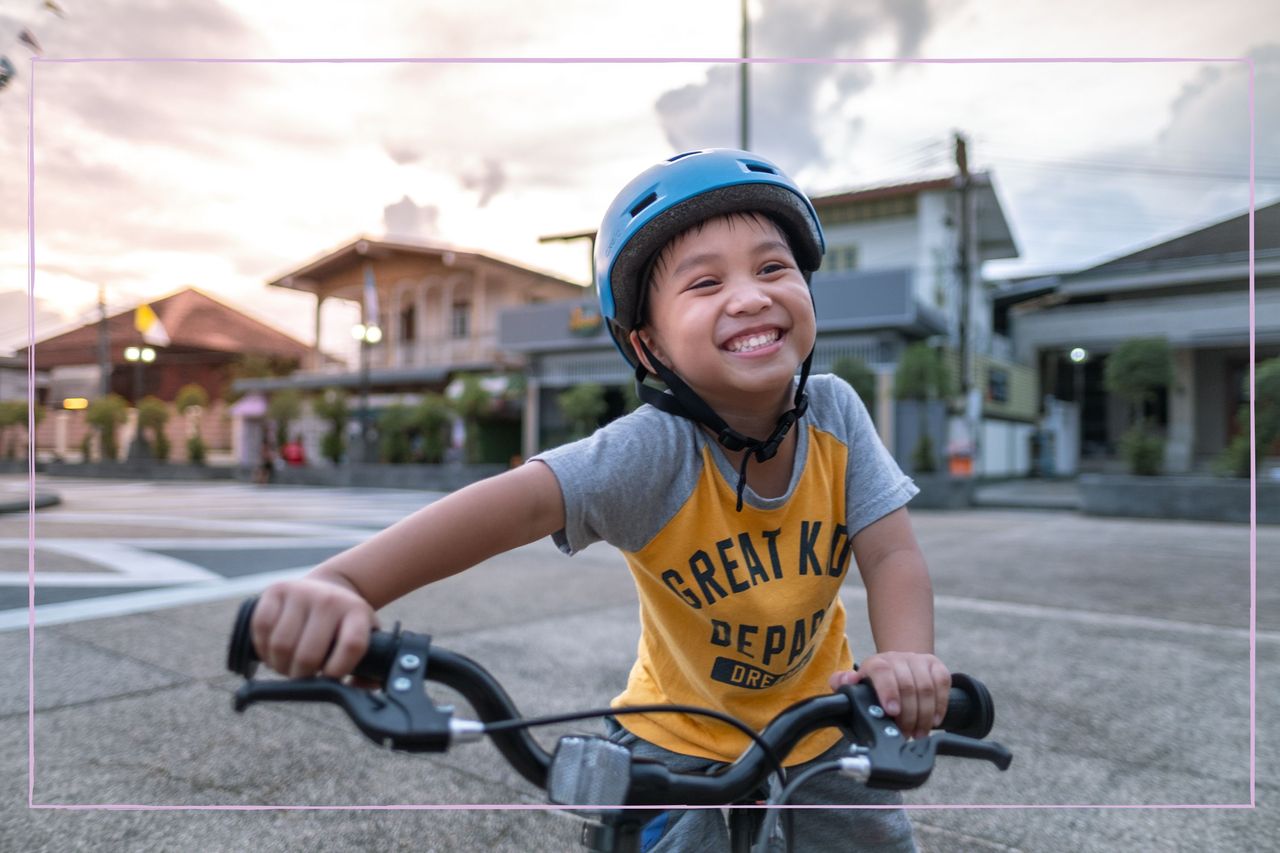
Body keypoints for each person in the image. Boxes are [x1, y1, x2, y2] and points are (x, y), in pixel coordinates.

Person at [250, 149, 947, 852]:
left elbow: (891, 555)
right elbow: (517, 503)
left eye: (772, 267)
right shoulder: (652, 450)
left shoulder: (836, 412)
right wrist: (343, 582)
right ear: (649, 347)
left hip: (820, 723)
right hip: (672, 733)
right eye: (705, 282)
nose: (749, 295)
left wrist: (905, 660)